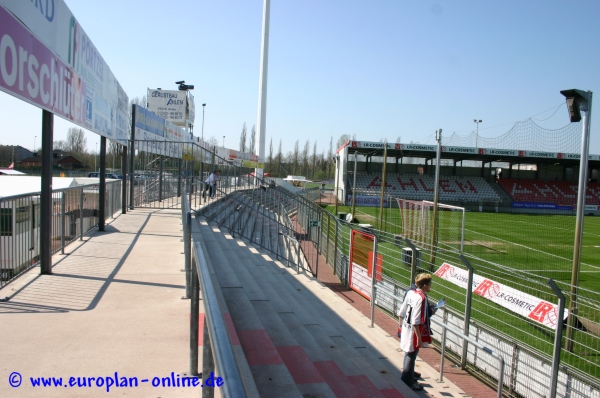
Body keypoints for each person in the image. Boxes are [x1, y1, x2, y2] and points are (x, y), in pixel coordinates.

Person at [397, 273, 436, 391]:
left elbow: (402, 311)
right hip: (413, 331)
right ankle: (408, 381)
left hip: (406, 326)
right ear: (425, 285)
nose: (430, 287)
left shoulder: (410, 292)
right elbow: (416, 320)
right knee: (411, 354)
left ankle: (407, 375)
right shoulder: (422, 298)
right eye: (430, 284)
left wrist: (400, 325)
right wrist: (419, 337)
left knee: (408, 352)